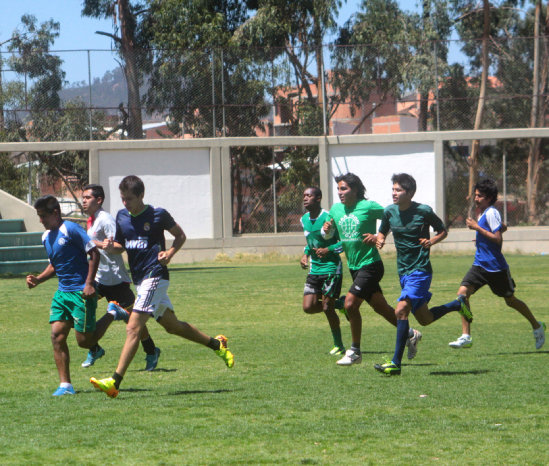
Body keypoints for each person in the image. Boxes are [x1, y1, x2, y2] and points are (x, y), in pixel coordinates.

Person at [90, 175, 234, 398]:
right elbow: (121, 246)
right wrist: (110, 246)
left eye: (129, 198)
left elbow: (180, 235)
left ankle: (114, 381)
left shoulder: (158, 215)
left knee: (133, 327)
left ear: (141, 196)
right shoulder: (121, 216)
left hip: (155, 275)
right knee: (173, 326)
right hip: (140, 280)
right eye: (122, 199)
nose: (125, 203)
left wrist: (170, 253)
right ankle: (217, 344)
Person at [26, 195, 128, 396]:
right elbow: (56, 265)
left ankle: (112, 313)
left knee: (84, 342)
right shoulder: (46, 237)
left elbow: (94, 253)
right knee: (57, 336)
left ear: (55, 213)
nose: (41, 220)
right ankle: (66, 385)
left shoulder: (71, 230)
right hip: (62, 293)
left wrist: (89, 283)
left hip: (82, 293)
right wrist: (38, 279)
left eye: (43, 216)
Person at [372, 173, 473, 376]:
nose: (394, 193)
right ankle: (457, 304)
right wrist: (379, 239)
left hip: (420, 270)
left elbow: (443, 230)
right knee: (425, 319)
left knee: (401, 310)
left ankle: (395, 364)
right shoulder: (389, 212)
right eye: (393, 189)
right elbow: (382, 231)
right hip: (403, 272)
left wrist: (431, 242)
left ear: (410, 193)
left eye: (398, 190)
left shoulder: (423, 211)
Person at [322, 173, 422, 366]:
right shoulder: (335, 210)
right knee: (381, 308)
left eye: (344, 189)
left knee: (350, 304)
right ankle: (411, 334)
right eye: (339, 189)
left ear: (355, 190)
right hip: (354, 267)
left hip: (371, 265)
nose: (340, 192)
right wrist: (327, 231)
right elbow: (329, 234)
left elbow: (391, 216)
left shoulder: (367, 207)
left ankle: (355, 352)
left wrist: (379, 236)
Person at [447, 178, 545, 350]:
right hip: (479, 266)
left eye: (480, 196)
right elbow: (501, 227)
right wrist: (481, 238)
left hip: (496, 268)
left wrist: (478, 229)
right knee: (462, 295)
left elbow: (498, 239)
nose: (476, 199)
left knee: (510, 301)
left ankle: (537, 326)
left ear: (490, 197)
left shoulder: (491, 212)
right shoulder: (484, 212)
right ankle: (466, 336)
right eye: (476, 195)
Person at [81, 184, 161, 371]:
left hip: (115, 279)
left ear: (98, 200)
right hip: (99, 278)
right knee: (82, 306)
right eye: (83, 197)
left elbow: (118, 246)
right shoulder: (91, 220)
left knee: (134, 320)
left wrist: (98, 244)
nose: (83, 200)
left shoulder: (106, 219)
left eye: (87, 197)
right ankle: (94, 347)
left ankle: (151, 351)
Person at [300, 187, 346, 356]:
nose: (305, 198)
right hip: (315, 269)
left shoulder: (329, 218)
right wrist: (305, 255)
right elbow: (310, 241)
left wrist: (329, 249)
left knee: (327, 307)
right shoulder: (303, 219)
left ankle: (339, 345)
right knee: (308, 307)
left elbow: (344, 242)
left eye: (309, 195)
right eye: (304, 195)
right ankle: (341, 304)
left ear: (318, 198)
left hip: (332, 268)